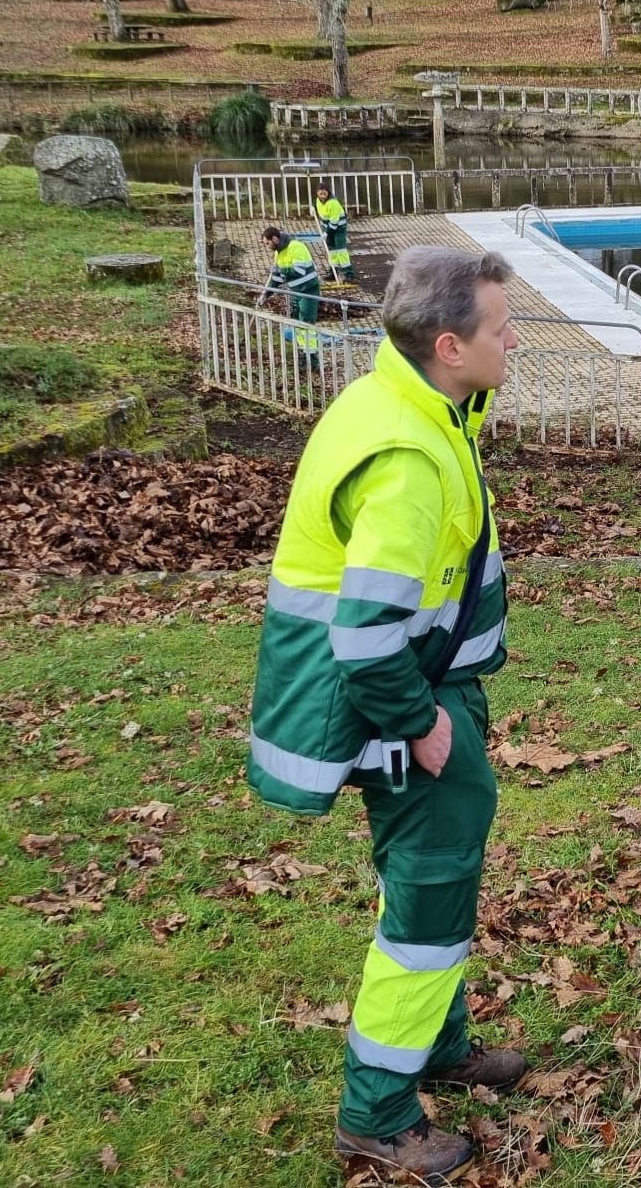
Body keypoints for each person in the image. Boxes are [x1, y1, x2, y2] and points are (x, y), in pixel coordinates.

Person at [247, 247, 525, 1184]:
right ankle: (377, 1110)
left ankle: (437, 1044)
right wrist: (420, 722)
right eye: (498, 327)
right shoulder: (405, 459)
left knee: (433, 882)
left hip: (425, 681)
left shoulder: (409, 397)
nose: (513, 338)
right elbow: (365, 636)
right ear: (448, 345)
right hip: (399, 698)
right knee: (426, 903)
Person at [258, 225, 323, 362]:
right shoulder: (278, 253)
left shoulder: (296, 247)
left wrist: (280, 271)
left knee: (306, 323)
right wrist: (266, 295)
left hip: (308, 291)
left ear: (275, 239)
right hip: (296, 292)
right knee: (297, 323)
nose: (267, 246)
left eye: (267, 243)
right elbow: (276, 280)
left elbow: (298, 271)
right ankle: (303, 352)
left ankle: (312, 358)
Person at [314, 184, 357, 284]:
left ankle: (349, 274)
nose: (323, 196)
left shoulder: (333, 203)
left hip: (338, 228)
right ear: (317, 194)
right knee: (332, 252)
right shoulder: (318, 200)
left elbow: (334, 223)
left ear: (328, 193)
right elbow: (314, 202)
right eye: (321, 194)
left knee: (341, 251)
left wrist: (327, 233)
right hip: (327, 228)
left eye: (324, 194)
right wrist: (312, 207)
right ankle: (333, 272)